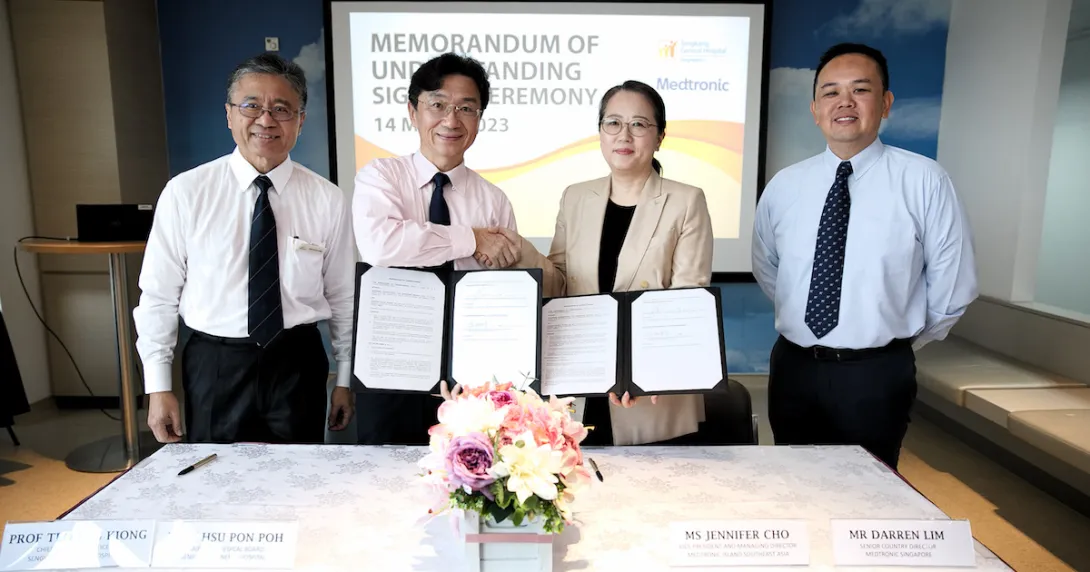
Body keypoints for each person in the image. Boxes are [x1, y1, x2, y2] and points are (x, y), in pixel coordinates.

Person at [752, 43, 978, 470]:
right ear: (815, 109)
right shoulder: (784, 186)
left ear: (886, 103)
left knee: (870, 493)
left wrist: (891, 342)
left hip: (876, 375)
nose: (845, 102)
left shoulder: (925, 181)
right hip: (794, 369)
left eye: (860, 90)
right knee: (792, 485)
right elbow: (769, 269)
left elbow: (952, 286)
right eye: (831, 92)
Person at [133, 53, 356, 445]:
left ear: (301, 120)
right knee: (215, 474)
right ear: (229, 115)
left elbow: (343, 296)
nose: (266, 120)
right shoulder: (186, 192)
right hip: (215, 363)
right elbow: (158, 295)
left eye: (281, 109)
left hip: (298, 363)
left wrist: (345, 378)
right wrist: (158, 385)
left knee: (300, 475)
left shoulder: (328, 199)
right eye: (251, 106)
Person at [491, 80, 714, 446]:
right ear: (600, 132)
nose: (624, 134)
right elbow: (560, 287)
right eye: (613, 122)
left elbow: (686, 301)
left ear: (660, 136)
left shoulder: (686, 201)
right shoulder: (576, 197)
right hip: (581, 380)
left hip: (650, 389)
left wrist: (641, 373)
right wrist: (523, 254)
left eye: (639, 124)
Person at [352, 52, 526, 445]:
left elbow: (505, 291)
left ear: (479, 119)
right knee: (383, 473)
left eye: (466, 108)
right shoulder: (381, 177)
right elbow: (381, 245)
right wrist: (472, 239)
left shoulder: (494, 200)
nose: (451, 120)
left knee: (472, 474)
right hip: (391, 367)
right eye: (438, 105)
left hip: (470, 379)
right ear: (412, 111)